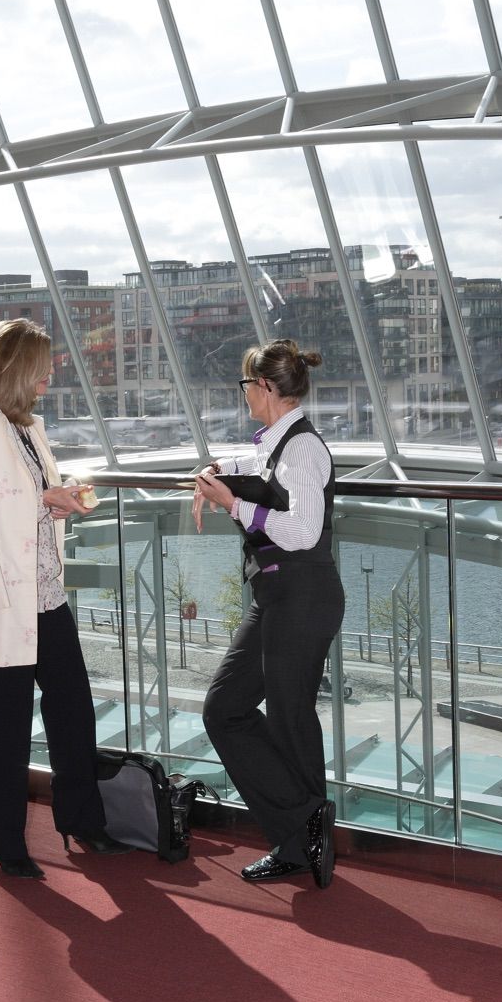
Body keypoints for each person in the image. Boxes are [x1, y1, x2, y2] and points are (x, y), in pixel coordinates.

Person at [0, 318, 130, 879]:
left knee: (72, 708)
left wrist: (54, 500)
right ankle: (2, 840)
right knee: (5, 723)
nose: (51, 373)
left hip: (46, 593)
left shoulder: (26, 428)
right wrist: (40, 501)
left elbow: (20, 501)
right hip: (8, 600)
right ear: (13, 368)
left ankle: (81, 817)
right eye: (42, 365)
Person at [193, 339, 345, 888]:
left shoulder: (304, 449)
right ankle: (303, 827)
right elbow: (258, 466)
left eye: (245, 386)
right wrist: (219, 471)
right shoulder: (280, 444)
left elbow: (303, 531)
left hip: (302, 596)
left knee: (287, 717)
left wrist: (232, 504)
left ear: (265, 388)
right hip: (282, 596)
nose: (243, 397)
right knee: (230, 709)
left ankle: (299, 836)